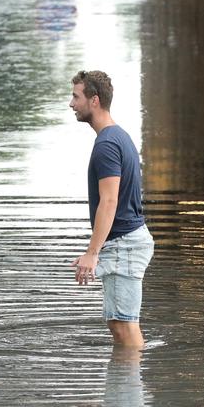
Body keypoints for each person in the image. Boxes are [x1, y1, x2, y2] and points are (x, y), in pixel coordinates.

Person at [70, 69, 153, 350]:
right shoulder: (118, 136)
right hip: (124, 242)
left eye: (76, 97)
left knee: (124, 326)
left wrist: (92, 253)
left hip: (124, 244)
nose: (71, 104)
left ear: (94, 100)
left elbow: (109, 201)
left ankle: (131, 379)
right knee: (120, 325)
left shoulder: (106, 144)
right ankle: (125, 378)